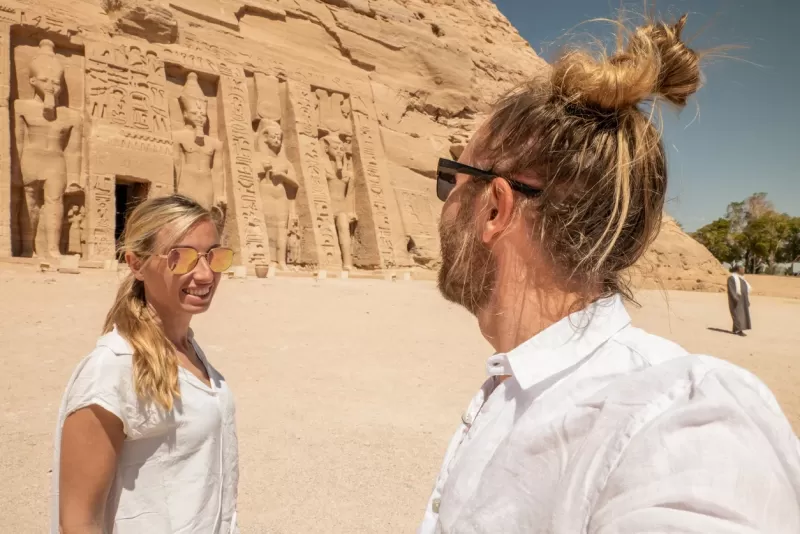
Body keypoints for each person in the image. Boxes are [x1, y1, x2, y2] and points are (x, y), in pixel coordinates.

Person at [421, 14, 800, 534]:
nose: (443, 205)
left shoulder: (678, 417)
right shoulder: (513, 385)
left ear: (495, 209)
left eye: (451, 179)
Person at [51, 194, 239, 534]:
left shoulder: (188, 349)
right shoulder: (112, 369)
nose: (205, 273)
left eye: (214, 255)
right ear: (136, 264)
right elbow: (79, 521)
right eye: (180, 257)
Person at [727, 264, 752, 336]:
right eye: (742, 269)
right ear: (738, 270)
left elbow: (745, 290)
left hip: (743, 300)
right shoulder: (732, 278)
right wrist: (735, 298)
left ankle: (735, 330)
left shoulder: (742, 279)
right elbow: (731, 290)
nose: (744, 270)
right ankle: (739, 331)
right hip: (736, 300)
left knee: (742, 315)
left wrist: (747, 300)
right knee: (737, 315)